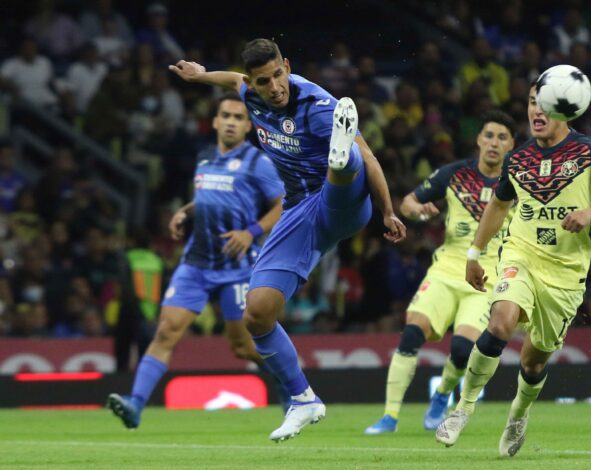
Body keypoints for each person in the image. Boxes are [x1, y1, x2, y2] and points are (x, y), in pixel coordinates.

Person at [168, 38, 406, 441]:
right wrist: (201, 75)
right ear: (255, 83)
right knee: (257, 313)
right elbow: (233, 81)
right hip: (298, 212)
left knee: (344, 168)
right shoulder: (251, 92)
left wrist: (387, 211)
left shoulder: (315, 104)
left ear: (287, 66)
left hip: (344, 203)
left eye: (280, 75)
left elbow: (370, 155)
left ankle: (337, 157)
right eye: (265, 81)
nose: (275, 86)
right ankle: (303, 399)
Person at [435, 79, 591, 456]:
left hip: (565, 273)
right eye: (531, 102)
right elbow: (498, 206)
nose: (535, 111)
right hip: (521, 255)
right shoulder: (518, 158)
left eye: (543, 104)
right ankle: (462, 407)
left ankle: (518, 414)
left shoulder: (590, 152)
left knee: (534, 360)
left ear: (565, 109)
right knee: (500, 321)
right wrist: (473, 254)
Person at [106, 93, 287, 429]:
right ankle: (135, 404)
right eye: (226, 116)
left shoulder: (257, 162)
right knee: (166, 332)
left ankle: (290, 382)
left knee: (244, 347)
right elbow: (213, 196)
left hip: (238, 266)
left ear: (248, 126)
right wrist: (187, 210)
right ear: (216, 121)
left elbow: (282, 205)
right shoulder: (205, 158)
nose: (231, 122)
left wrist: (250, 231)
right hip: (196, 263)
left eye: (238, 117)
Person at [365, 110, 517, 435]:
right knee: (411, 332)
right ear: (478, 140)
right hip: (446, 269)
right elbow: (407, 202)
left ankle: (442, 395)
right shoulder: (454, 174)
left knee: (462, 349)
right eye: (489, 135)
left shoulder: (516, 184)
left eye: (502, 137)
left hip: (486, 277)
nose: (494, 143)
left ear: (511, 145)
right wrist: (417, 211)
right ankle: (389, 417)